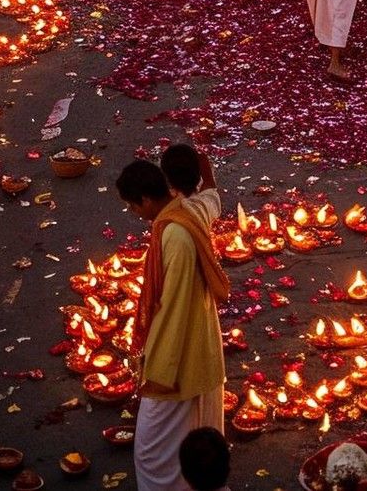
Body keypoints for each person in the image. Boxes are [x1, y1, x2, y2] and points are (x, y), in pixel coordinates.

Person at [120, 143, 228, 491]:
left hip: (178, 355)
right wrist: (206, 172)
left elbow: (175, 307)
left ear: (146, 200)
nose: (134, 213)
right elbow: (211, 196)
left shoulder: (176, 234)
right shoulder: (189, 210)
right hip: (198, 343)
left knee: (150, 450)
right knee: (193, 437)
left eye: (133, 206)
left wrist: (155, 363)